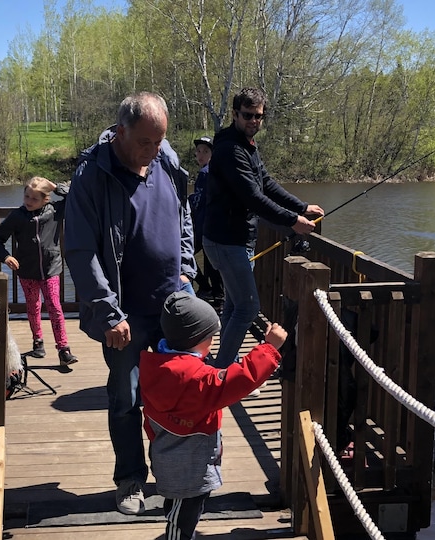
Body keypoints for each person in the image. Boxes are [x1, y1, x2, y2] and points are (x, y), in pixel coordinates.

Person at [64, 91, 196, 515]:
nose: (153, 151)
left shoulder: (166, 157)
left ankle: (175, 475)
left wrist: (188, 268)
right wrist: (107, 313)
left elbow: (183, 213)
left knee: (178, 393)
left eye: (160, 142)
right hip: (123, 313)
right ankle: (130, 481)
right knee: (126, 397)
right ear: (120, 132)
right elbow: (80, 252)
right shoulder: (92, 175)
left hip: (173, 302)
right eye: (145, 143)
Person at [140, 291, 285, 539]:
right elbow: (236, 380)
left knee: (179, 508)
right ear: (198, 340)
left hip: (166, 454)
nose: (213, 342)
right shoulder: (198, 379)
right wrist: (268, 348)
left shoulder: (157, 366)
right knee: (182, 517)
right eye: (211, 337)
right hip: (191, 465)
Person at [203, 87, 324, 369]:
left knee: (234, 306)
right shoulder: (231, 150)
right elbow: (253, 198)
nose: (254, 121)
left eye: (258, 116)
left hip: (237, 240)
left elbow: (266, 183)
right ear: (235, 114)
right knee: (248, 308)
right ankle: (220, 375)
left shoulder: (248, 146)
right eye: (247, 115)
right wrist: (293, 221)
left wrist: (301, 206)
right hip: (226, 241)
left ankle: (226, 362)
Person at [0, 176, 78, 368]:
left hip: (51, 268)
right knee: (33, 306)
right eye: (26, 196)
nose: (29, 201)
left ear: (46, 199)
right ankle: (38, 342)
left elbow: (74, 195)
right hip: (27, 271)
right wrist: (5, 257)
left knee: (54, 306)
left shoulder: (55, 210)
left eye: (34, 198)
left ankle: (64, 349)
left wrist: (54, 186)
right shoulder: (17, 217)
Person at [188, 135, 224, 305]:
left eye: (206, 151)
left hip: (203, 225)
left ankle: (204, 286)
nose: (201, 155)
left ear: (213, 153)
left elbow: (198, 201)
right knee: (211, 260)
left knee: (185, 255)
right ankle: (217, 293)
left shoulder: (204, 173)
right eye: (199, 151)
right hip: (214, 226)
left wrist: (186, 202)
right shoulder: (217, 171)